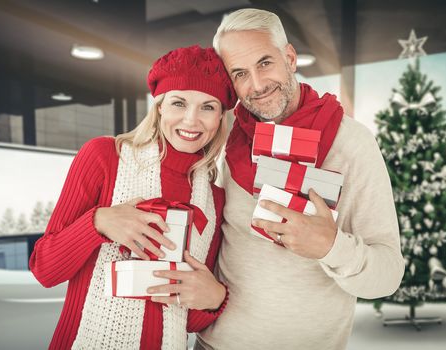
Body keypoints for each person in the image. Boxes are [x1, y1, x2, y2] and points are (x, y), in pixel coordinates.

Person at [196, 9, 405, 349]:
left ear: (289, 57)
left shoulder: (351, 143)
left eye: (265, 63)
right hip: (216, 344)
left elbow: (388, 275)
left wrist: (331, 247)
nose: (258, 85)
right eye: (240, 73)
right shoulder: (224, 131)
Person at [30, 45, 237, 350]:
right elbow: (45, 270)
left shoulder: (214, 197)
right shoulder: (104, 157)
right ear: (160, 107)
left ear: (220, 116)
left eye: (208, 107)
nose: (192, 121)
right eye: (179, 103)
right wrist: (99, 222)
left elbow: (188, 319)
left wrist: (214, 298)